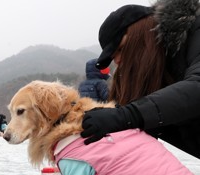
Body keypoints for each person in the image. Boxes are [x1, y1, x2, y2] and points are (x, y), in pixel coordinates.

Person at [80, 0, 200, 159]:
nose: (118, 61)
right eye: (113, 57)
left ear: (142, 30)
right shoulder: (156, 78)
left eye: (121, 49)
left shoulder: (195, 29)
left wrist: (127, 116)